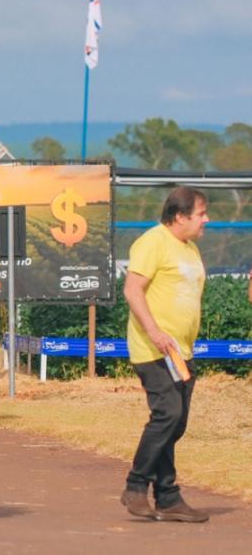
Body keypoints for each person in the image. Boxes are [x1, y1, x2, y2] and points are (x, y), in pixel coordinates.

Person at [120, 185, 210, 523]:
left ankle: (168, 497)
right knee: (168, 414)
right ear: (180, 217)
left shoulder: (190, 249)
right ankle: (135, 486)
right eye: (201, 214)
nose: (206, 220)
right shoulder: (153, 242)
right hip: (153, 348)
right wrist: (155, 331)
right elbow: (132, 290)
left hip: (180, 352)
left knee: (176, 422)